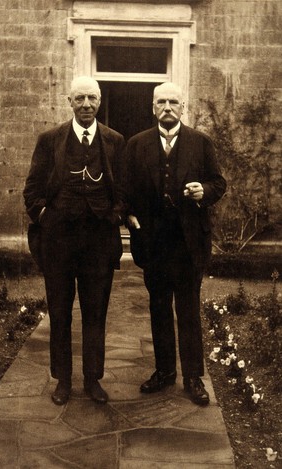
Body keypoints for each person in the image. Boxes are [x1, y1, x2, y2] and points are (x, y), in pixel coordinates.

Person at [23, 76, 127, 405]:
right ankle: (63, 380)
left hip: (98, 242)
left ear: (100, 102)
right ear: (69, 102)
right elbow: (32, 189)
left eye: (91, 98)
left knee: (95, 313)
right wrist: (44, 218)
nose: (86, 104)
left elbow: (124, 190)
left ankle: (93, 379)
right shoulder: (50, 139)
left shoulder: (114, 141)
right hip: (58, 243)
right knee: (60, 313)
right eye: (79, 98)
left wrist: (115, 214)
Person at [126, 82, 226, 405]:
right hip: (153, 244)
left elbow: (219, 183)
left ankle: (193, 377)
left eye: (173, 102)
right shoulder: (137, 145)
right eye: (161, 102)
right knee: (158, 309)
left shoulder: (201, 143)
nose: (167, 108)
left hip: (188, 245)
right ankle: (165, 371)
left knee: (188, 311)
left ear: (183, 107)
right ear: (153, 108)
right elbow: (124, 189)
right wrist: (128, 216)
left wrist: (204, 192)